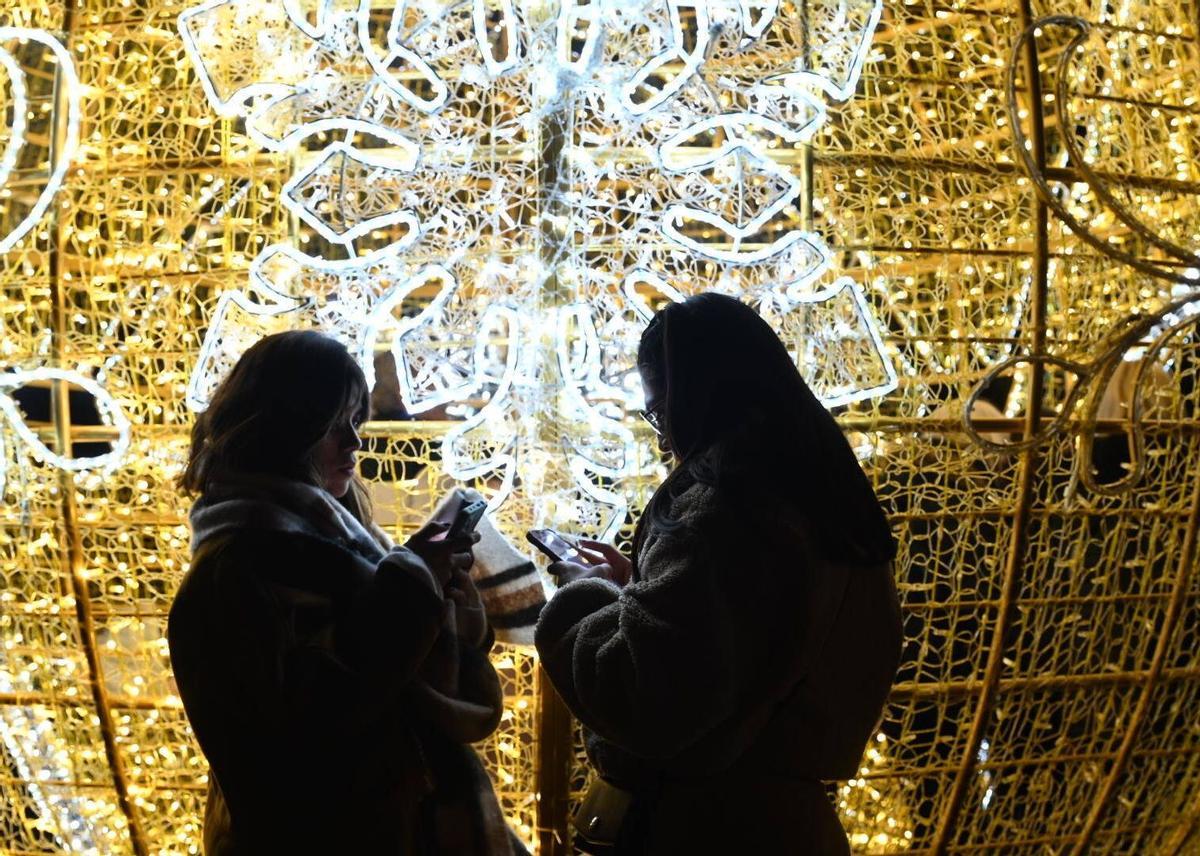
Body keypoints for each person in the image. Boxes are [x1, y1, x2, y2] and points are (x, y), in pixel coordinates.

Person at [534, 293, 902, 854]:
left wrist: (586, 598)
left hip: (709, 824)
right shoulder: (822, 489)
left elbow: (647, 695)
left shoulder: (731, 508)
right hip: (791, 822)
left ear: (694, 398)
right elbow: (742, 637)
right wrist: (638, 587)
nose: (662, 436)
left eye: (660, 410)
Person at [168, 331, 523, 855]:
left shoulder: (333, 544)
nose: (354, 442)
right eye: (337, 425)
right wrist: (414, 583)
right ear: (286, 426)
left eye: (357, 422)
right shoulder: (235, 573)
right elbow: (318, 722)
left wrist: (443, 588)